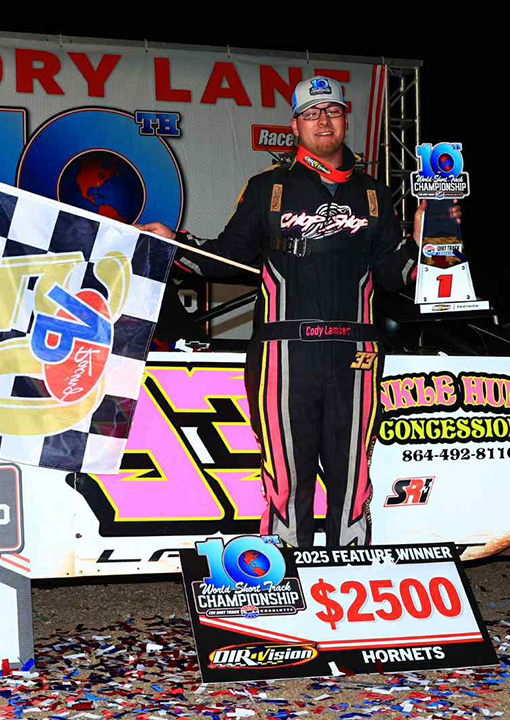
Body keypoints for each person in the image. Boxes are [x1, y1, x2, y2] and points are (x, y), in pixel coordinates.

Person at [137, 76, 457, 547]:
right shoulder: (268, 188)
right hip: (283, 354)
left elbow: (397, 274)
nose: (322, 120)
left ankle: (348, 577)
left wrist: (429, 243)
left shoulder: (374, 195)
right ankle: (288, 573)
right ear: (294, 126)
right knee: (287, 474)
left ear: (346, 118)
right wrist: (172, 245)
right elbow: (226, 258)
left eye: (331, 110)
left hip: (357, 354)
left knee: (352, 473)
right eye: (312, 113)